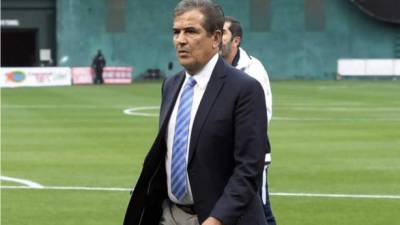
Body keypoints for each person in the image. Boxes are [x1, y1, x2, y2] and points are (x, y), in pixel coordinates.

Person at [123, 1, 270, 225]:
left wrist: (217, 219)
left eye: (191, 31)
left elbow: (249, 169)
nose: (181, 40)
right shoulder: (171, 85)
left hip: (218, 219)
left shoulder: (244, 89)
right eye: (176, 32)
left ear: (216, 38)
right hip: (170, 215)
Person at [221, 16, 276, 225]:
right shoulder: (211, 68)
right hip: (219, 154)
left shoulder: (253, 69)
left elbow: (262, 116)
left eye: (223, 33)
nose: (217, 37)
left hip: (251, 154)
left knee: (261, 211)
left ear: (236, 40)